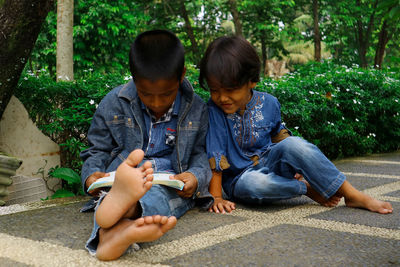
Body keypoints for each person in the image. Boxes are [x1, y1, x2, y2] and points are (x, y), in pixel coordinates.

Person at [199, 36, 393, 215]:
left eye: (230, 90)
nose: (222, 98)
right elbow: (216, 154)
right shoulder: (214, 110)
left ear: (252, 81)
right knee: (254, 184)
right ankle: (307, 189)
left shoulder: (269, 103)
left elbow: (281, 137)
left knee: (296, 144)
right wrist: (216, 197)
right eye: (215, 90)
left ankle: (352, 194)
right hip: (241, 179)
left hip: (272, 163)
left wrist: (298, 164)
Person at [81, 29, 212, 260]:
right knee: (117, 192)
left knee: (158, 194)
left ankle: (115, 225)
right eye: (146, 94)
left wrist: (194, 176)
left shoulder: (197, 108)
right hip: (124, 176)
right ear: (133, 77)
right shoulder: (113, 103)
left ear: (181, 75)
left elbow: (200, 152)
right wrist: (92, 176)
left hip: (169, 179)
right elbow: (97, 149)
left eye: (166, 94)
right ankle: (121, 217)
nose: (156, 102)